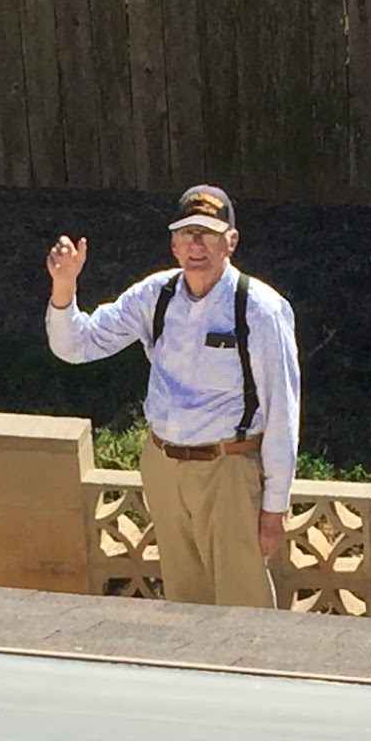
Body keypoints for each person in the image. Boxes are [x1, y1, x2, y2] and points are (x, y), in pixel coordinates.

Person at [44, 185, 301, 608]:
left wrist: (275, 509)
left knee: (244, 606)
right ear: (174, 244)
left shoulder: (259, 308)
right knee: (184, 602)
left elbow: (283, 412)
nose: (197, 244)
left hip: (229, 471)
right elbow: (77, 346)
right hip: (163, 467)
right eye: (187, 233)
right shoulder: (155, 295)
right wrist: (64, 286)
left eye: (208, 233)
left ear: (231, 241)